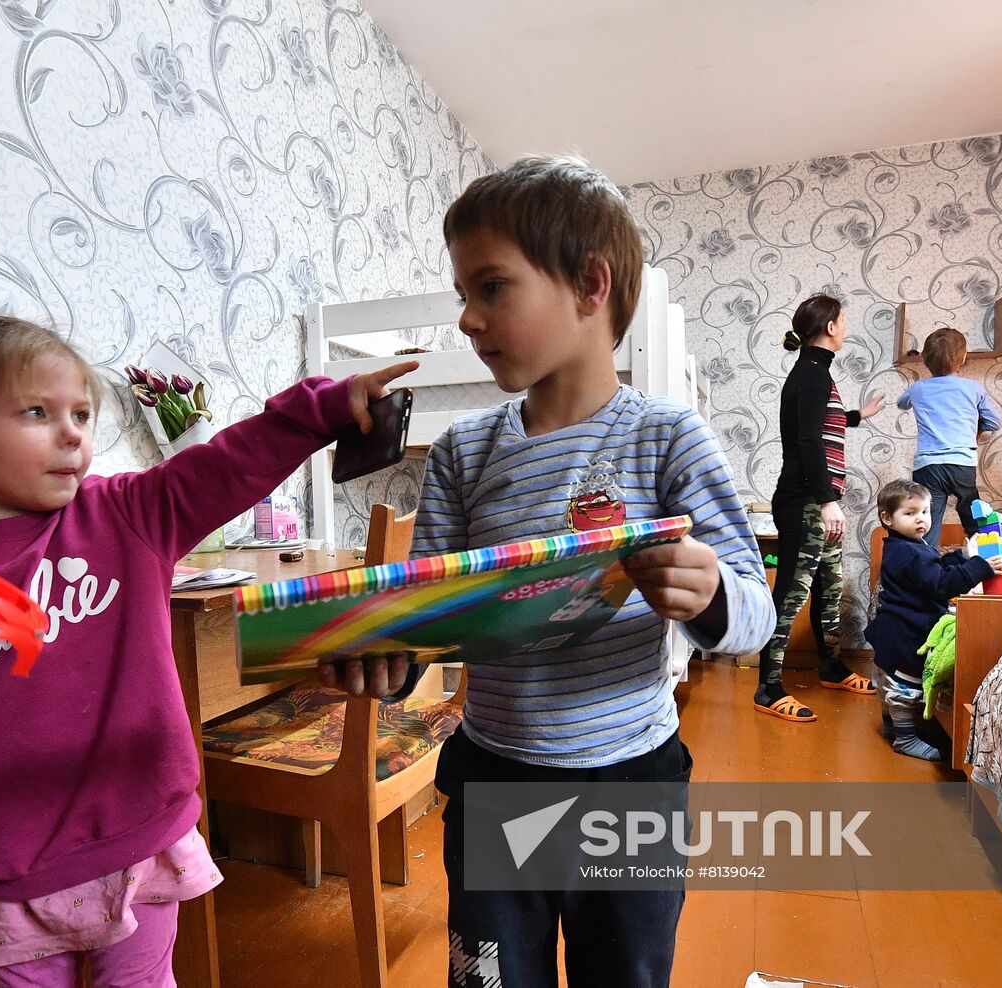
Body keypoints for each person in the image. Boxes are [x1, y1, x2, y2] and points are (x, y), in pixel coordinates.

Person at [0, 315, 414, 987]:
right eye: (38, 412)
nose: (73, 434)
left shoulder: (127, 513)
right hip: (13, 870)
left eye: (81, 413)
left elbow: (227, 465)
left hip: (143, 839)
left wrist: (324, 409)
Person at [320, 154, 774, 987]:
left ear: (589, 286)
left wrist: (709, 596)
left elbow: (755, 617)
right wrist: (384, 658)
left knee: (625, 975)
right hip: (496, 777)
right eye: (462, 294)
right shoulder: (464, 449)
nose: (466, 319)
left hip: (630, 786)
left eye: (490, 288)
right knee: (491, 976)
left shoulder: (668, 436)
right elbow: (428, 613)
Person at [756, 293, 885, 722]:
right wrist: (827, 500)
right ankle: (768, 687)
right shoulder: (811, 374)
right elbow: (808, 441)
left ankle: (831, 666)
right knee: (790, 595)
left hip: (818, 503)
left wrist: (857, 415)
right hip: (805, 503)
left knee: (829, 589)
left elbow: (817, 423)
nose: (846, 327)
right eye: (843, 320)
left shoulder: (815, 373)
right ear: (830, 326)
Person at [865, 479, 1001, 760]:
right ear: (887, 518)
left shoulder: (907, 545)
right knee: (905, 685)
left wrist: (961, 557)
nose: (921, 519)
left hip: (896, 627)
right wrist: (979, 566)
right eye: (910, 513)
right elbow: (940, 585)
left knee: (892, 680)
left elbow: (933, 570)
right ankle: (905, 738)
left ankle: (893, 726)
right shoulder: (907, 552)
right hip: (906, 631)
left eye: (925, 512)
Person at [896, 327, 1002, 548]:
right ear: (963, 357)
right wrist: (975, 431)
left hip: (929, 467)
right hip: (962, 465)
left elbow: (901, 403)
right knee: (972, 516)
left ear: (924, 359)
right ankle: (981, 559)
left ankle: (926, 570)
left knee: (926, 523)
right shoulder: (973, 388)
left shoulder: (918, 388)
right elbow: (994, 422)